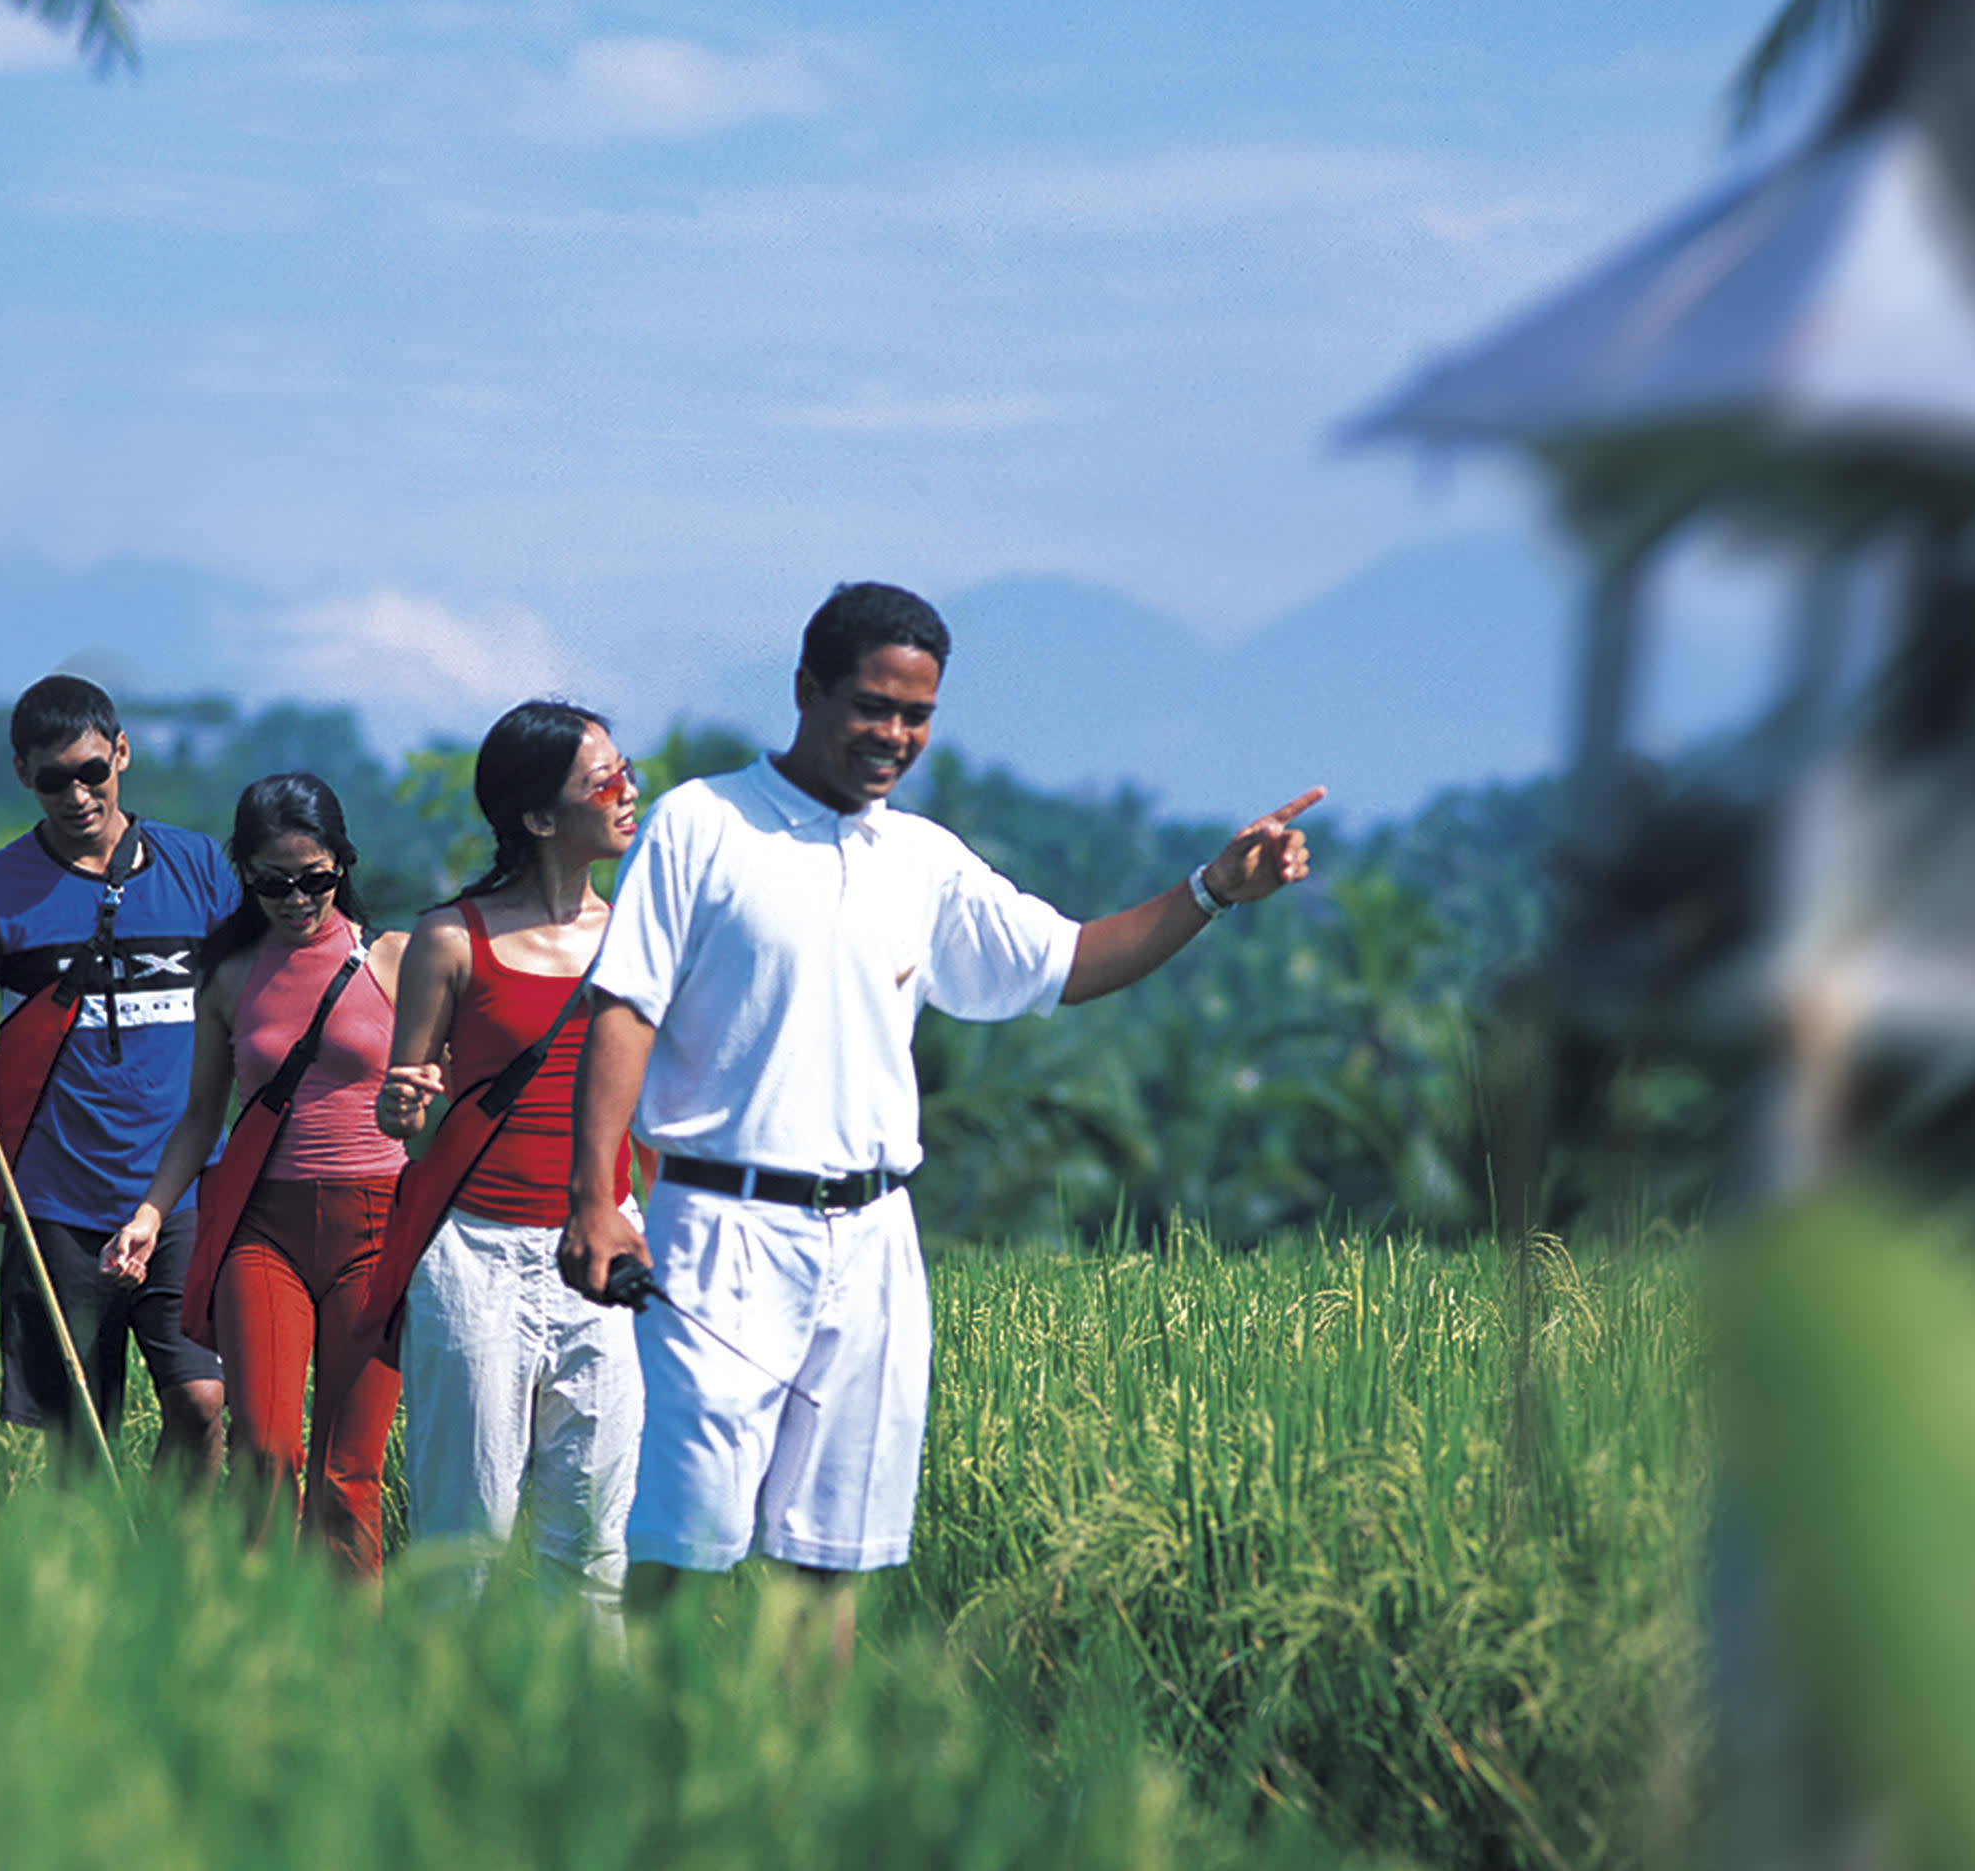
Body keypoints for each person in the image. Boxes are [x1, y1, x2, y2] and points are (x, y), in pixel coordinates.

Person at [558, 580, 1322, 1649]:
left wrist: (1211, 892)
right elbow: (623, 1011)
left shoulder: (920, 860)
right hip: (719, 1235)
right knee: (687, 1549)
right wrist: (598, 1200)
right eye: (873, 706)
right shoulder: (704, 825)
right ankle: (657, 1790)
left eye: (917, 715)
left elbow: (1068, 960)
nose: (895, 736)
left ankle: (801, 1794)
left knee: (828, 1567)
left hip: (873, 1246)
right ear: (806, 689)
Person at [0, 674, 241, 1478]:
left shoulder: (199, 868)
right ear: (21, 776)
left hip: (183, 1193)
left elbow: (267, 994)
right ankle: (97, 1585)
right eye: (52, 778)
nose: (76, 794)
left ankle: (170, 1573)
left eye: (91, 771)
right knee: (80, 1441)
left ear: (122, 755)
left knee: (203, 1403)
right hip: (58, 1207)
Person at [105, 774, 410, 1579]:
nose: (296, 897)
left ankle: (350, 1669)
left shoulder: (395, 961)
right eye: (274, 882)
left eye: (315, 877)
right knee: (266, 1449)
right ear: (244, 873)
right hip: (262, 1229)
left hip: (375, 1225)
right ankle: (262, 1647)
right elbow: (201, 1116)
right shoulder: (231, 975)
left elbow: (448, 1088)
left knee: (349, 1473)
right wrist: (148, 1212)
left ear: (343, 863)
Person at [374, 702, 646, 1602]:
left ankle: (585, 1741)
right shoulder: (451, 939)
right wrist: (401, 1100)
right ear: (537, 817)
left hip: (602, 1243)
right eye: (602, 780)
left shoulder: (640, 939)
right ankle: (440, 1735)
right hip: (475, 1256)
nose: (627, 790)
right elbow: (402, 1114)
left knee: (595, 1550)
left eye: (625, 768)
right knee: (465, 1547)